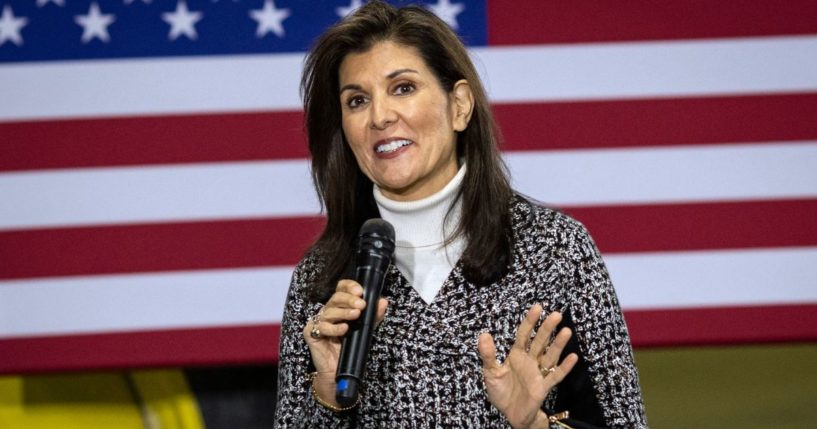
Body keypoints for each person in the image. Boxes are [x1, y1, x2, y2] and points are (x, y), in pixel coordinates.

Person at [274, 2, 647, 428]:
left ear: (460, 106)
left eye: (403, 88)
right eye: (357, 100)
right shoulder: (321, 279)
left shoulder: (555, 248)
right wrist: (329, 397)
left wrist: (535, 425)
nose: (379, 116)